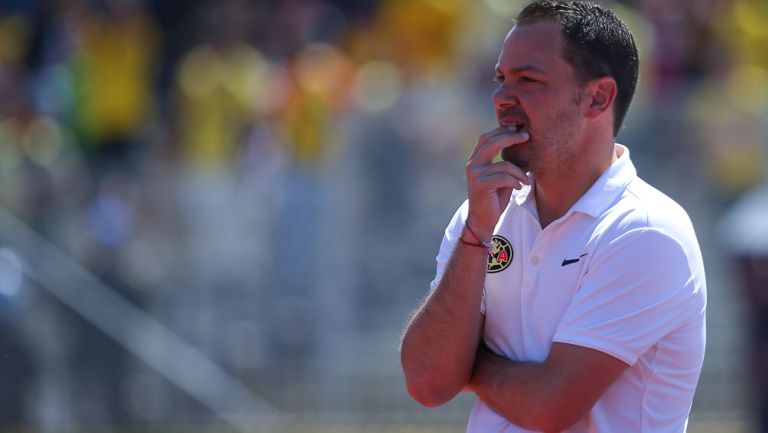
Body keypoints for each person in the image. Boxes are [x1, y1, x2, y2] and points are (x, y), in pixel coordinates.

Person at [399, 1, 707, 432]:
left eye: (529, 80)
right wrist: (475, 236)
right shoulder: (481, 216)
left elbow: (549, 407)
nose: (502, 98)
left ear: (598, 97)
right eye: (501, 79)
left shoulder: (645, 231)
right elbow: (428, 381)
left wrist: (471, 366)